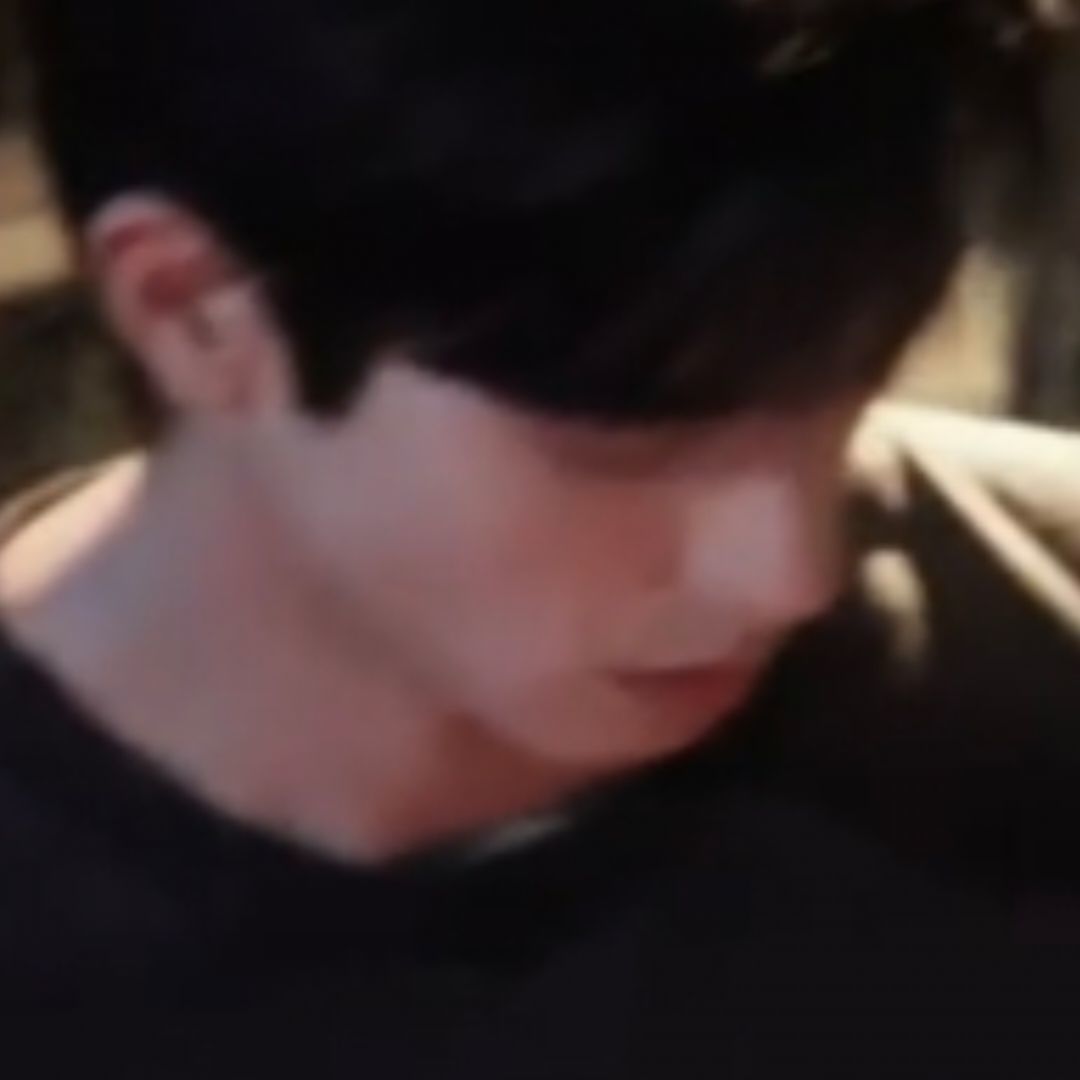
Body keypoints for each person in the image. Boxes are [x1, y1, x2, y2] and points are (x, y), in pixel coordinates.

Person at [0, 0, 1075, 1072]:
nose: (792, 573)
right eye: (631, 442)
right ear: (191, 309)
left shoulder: (1041, 636)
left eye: (846, 391)